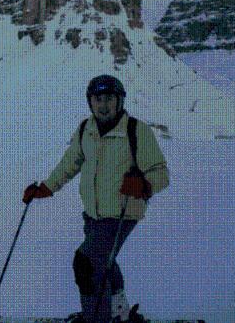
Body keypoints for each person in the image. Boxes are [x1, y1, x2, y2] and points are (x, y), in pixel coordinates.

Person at [22, 75, 170, 323]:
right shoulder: (86, 129)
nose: (103, 105)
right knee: (104, 261)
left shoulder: (135, 130)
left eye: (109, 98)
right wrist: (47, 187)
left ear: (120, 101)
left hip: (122, 213)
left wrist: (144, 185)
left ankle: (95, 318)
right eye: (97, 99)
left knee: (86, 263)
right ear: (90, 102)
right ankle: (118, 311)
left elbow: (161, 173)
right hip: (93, 214)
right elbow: (70, 163)